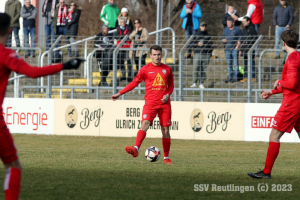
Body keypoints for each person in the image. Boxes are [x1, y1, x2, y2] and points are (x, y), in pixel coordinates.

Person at [0, 13, 84, 200]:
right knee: (13, 167)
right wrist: (65, 66)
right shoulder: (6, 54)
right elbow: (32, 72)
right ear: (10, 30)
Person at [248, 30, 300, 179]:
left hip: (291, 105)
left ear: (283, 43)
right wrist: (272, 91)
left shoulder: (291, 60)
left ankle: (266, 172)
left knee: (274, 136)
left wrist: (279, 82)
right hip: (298, 103)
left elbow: (292, 83)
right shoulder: (298, 57)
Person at [111, 45, 174, 165]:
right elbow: (134, 83)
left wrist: (168, 94)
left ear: (162, 55)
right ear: (150, 56)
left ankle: (166, 157)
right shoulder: (145, 69)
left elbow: (171, 85)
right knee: (145, 123)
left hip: (165, 104)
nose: (157, 57)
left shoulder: (167, 69)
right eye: (154, 54)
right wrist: (120, 93)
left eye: (159, 54)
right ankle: (136, 149)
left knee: (165, 130)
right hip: (150, 103)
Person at [190, 22, 213, 89]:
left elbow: (211, 46)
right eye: (203, 25)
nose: (204, 27)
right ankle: (194, 83)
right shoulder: (195, 35)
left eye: (205, 26)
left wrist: (209, 54)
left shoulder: (208, 35)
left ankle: (201, 83)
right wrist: (197, 44)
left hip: (206, 54)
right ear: (200, 26)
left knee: (204, 70)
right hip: (197, 54)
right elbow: (191, 44)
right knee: (195, 69)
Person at [222, 17, 242, 83]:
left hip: (234, 49)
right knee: (229, 63)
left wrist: (237, 47)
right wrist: (223, 40)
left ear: (233, 23)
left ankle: (235, 77)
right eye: (227, 23)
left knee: (235, 63)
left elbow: (240, 39)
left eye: (229, 23)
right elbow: (223, 38)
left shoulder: (237, 29)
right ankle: (230, 77)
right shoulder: (225, 29)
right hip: (227, 49)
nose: (228, 24)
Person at [239, 17, 258, 83]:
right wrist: (241, 49)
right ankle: (247, 76)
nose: (243, 23)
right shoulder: (244, 29)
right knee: (246, 63)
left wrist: (248, 42)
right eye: (242, 21)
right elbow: (243, 39)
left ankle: (253, 77)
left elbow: (255, 38)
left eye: (244, 21)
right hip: (244, 49)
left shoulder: (252, 28)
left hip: (250, 49)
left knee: (251, 62)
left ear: (248, 21)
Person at [115, 17, 132, 81]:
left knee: (128, 61)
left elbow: (129, 37)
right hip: (120, 48)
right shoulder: (117, 29)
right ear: (120, 23)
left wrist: (122, 37)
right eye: (121, 22)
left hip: (127, 47)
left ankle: (130, 76)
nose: (123, 23)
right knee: (121, 62)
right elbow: (116, 36)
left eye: (124, 21)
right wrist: (123, 37)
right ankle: (123, 74)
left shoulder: (129, 29)